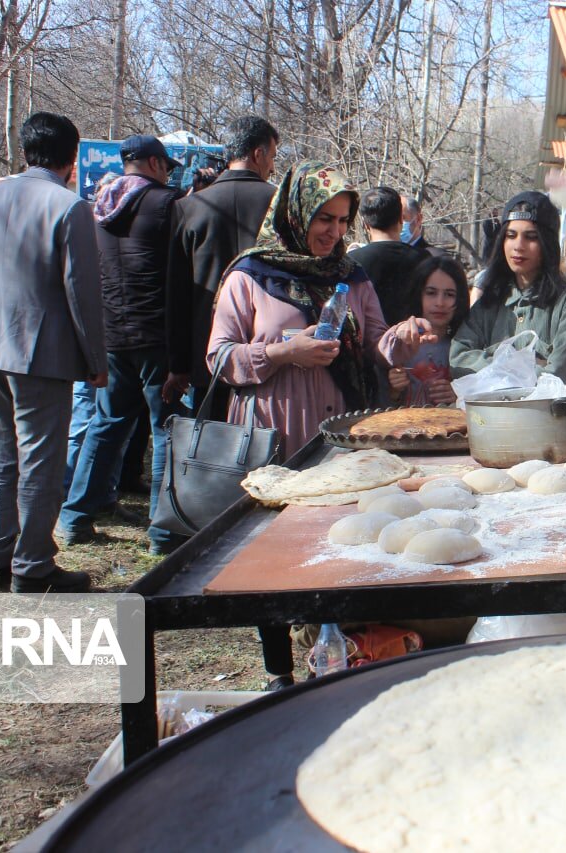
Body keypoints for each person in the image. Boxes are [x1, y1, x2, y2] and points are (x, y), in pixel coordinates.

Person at [208, 161, 387, 689]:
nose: (332, 232)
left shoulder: (351, 276)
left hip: (334, 433)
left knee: (331, 541)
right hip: (273, 428)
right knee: (270, 549)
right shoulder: (250, 274)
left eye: (341, 220)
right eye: (322, 219)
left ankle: (330, 656)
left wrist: (403, 342)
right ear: (295, 212)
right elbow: (218, 358)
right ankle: (277, 670)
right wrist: (285, 352)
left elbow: (376, 340)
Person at [0, 111, 106, 593]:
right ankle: (33, 564)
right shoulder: (69, 207)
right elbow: (81, 293)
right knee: (41, 460)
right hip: (40, 349)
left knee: (2, 458)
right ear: (72, 157)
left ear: (25, 153)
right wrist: (97, 363)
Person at [58, 135, 186, 555]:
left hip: (112, 334)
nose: (167, 171)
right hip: (157, 335)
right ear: (153, 163)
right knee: (167, 430)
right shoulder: (168, 203)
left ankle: (76, 517)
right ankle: (163, 532)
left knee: (106, 424)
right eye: (165, 165)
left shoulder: (97, 209)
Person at [166, 115, 279, 418]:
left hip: (209, 354)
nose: (272, 167)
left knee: (213, 453)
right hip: (271, 352)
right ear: (258, 154)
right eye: (272, 157)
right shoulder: (280, 205)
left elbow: (177, 295)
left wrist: (178, 364)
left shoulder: (189, 208)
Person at [451, 191, 566, 384]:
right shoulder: (489, 303)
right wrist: (522, 365)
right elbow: (459, 359)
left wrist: (489, 363)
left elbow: (557, 376)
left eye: (531, 237)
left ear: (547, 243)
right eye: (511, 235)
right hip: (491, 413)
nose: (518, 245)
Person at [379, 255, 471, 406]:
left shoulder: (466, 349)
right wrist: (394, 388)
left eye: (449, 294)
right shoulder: (400, 344)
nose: (440, 303)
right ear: (418, 294)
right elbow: (384, 403)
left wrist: (458, 394)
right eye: (431, 293)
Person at [349, 186, 431, 324]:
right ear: (400, 219)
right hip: (414, 339)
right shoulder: (425, 260)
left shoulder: (352, 262)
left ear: (365, 224)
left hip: (368, 342)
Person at [399, 194, 447, 258]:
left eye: (402, 218)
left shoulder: (435, 258)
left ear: (418, 219)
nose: (395, 225)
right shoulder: (385, 256)